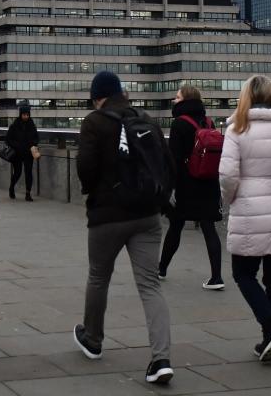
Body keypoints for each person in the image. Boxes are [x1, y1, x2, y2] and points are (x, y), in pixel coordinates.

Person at [73, 71, 174, 384]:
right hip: (147, 216)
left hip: (107, 216)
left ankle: (93, 338)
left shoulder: (94, 122)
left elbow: (85, 171)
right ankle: (161, 359)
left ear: (99, 97)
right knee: (150, 285)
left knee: (99, 277)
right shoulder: (147, 120)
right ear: (122, 93)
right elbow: (166, 166)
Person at [219, 75, 271, 364]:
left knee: (243, 274)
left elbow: (228, 175)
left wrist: (230, 200)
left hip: (249, 212)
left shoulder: (237, 128)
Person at [159, 85, 224, 290]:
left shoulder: (179, 123)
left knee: (176, 227)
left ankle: (161, 269)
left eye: (177, 97)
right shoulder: (208, 121)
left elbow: (174, 160)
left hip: (187, 184)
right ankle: (216, 277)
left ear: (185, 100)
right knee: (209, 228)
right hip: (209, 182)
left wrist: (171, 189)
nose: (174, 100)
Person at [5, 104, 38, 201]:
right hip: (17, 154)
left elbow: (36, 138)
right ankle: (12, 187)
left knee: (28, 173)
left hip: (28, 153)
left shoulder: (32, 125)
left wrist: (33, 144)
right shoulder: (14, 125)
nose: (26, 116)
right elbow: (8, 139)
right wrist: (17, 145)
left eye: (27, 115)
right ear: (20, 115)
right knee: (18, 172)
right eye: (24, 115)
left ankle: (28, 193)